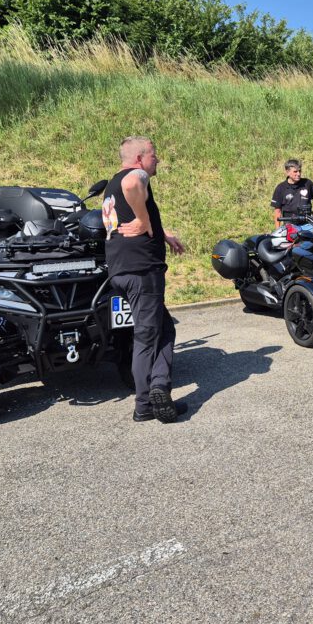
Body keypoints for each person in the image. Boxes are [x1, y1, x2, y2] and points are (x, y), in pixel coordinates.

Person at [101, 136, 186, 423]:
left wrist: (161, 232)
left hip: (121, 270)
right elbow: (133, 183)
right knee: (147, 336)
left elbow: (127, 209)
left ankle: (159, 386)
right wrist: (143, 219)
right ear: (139, 158)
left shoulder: (110, 186)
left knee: (164, 329)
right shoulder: (134, 176)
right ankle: (145, 404)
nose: (157, 159)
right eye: (153, 154)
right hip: (142, 270)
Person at [271, 158, 313, 226]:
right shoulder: (281, 188)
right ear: (287, 172)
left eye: (300, 171)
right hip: (290, 225)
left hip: (307, 225)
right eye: (295, 171)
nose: (298, 174)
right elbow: (277, 211)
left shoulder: (307, 183)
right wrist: (278, 229)